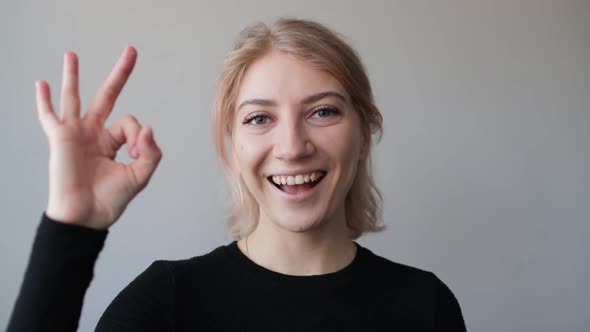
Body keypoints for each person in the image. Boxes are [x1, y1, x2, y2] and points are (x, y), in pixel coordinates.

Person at [7, 18, 467, 331]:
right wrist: (70, 227)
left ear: (364, 136)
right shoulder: (169, 302)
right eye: (259, 118)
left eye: (323, 112)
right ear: (231, 145)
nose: (291, 147)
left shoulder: (425, 306)